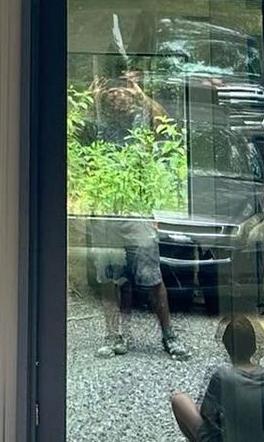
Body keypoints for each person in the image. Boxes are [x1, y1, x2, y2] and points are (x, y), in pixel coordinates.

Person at [84, 69, 190, 360]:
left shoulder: (141, 116)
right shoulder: (97, 119)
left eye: (124, 91)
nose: (118, 96)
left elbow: (165, 123)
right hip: (105, 207)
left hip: (135, 208)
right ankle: (114, 335)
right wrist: (90, 98)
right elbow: (72, 125)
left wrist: (142, 93)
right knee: (110, 277)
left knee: (152, 276)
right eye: (112, 92)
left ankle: (169, 336)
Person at [169, 314, 264, 442]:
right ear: (253, 346)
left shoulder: (223, 376)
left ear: (227, 347)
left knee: (178, 399)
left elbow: (207, 415)